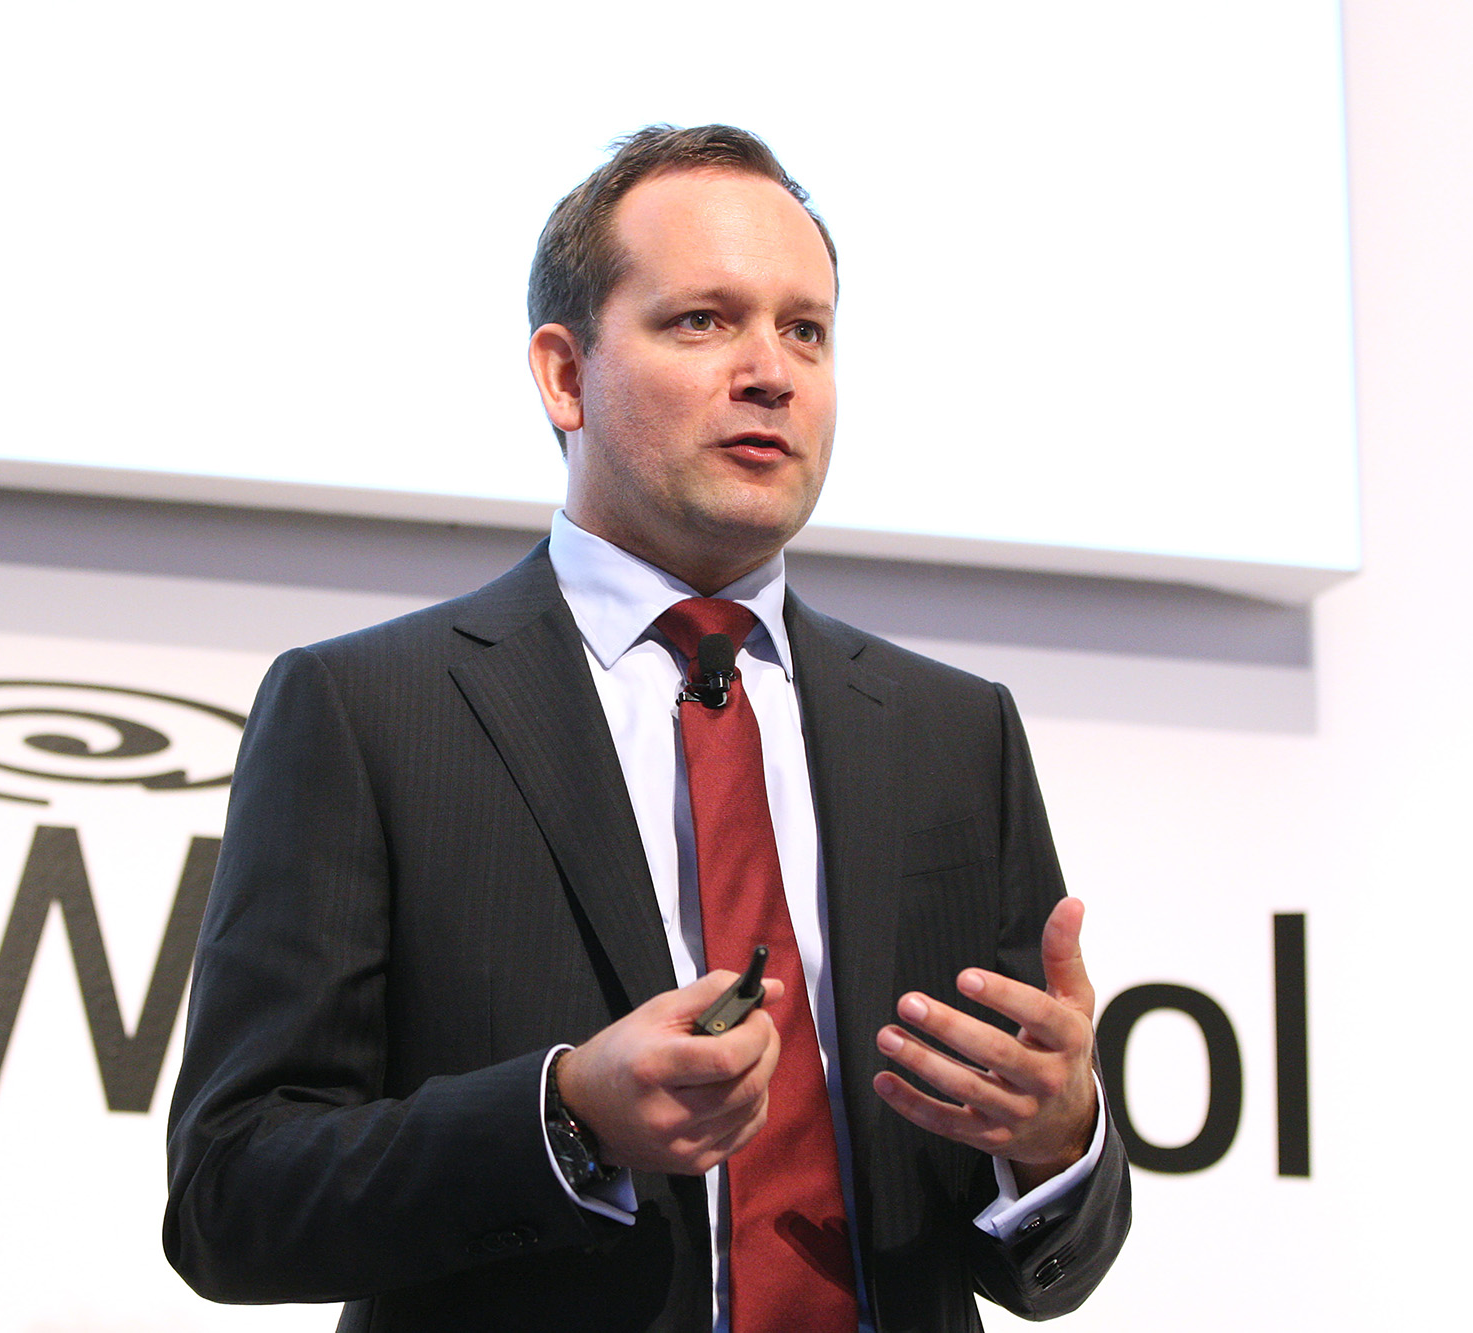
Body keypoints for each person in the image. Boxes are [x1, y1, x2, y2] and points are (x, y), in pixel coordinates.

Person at [164, 125, 1130, 1333]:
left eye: (806, 330)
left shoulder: (950, 735)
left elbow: (1045, 1264)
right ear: (564, 375)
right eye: (702, 321)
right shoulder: (370, 712)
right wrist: (565, 1115)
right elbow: (231, 1194)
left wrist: (1057, 1142)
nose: (770, 371)